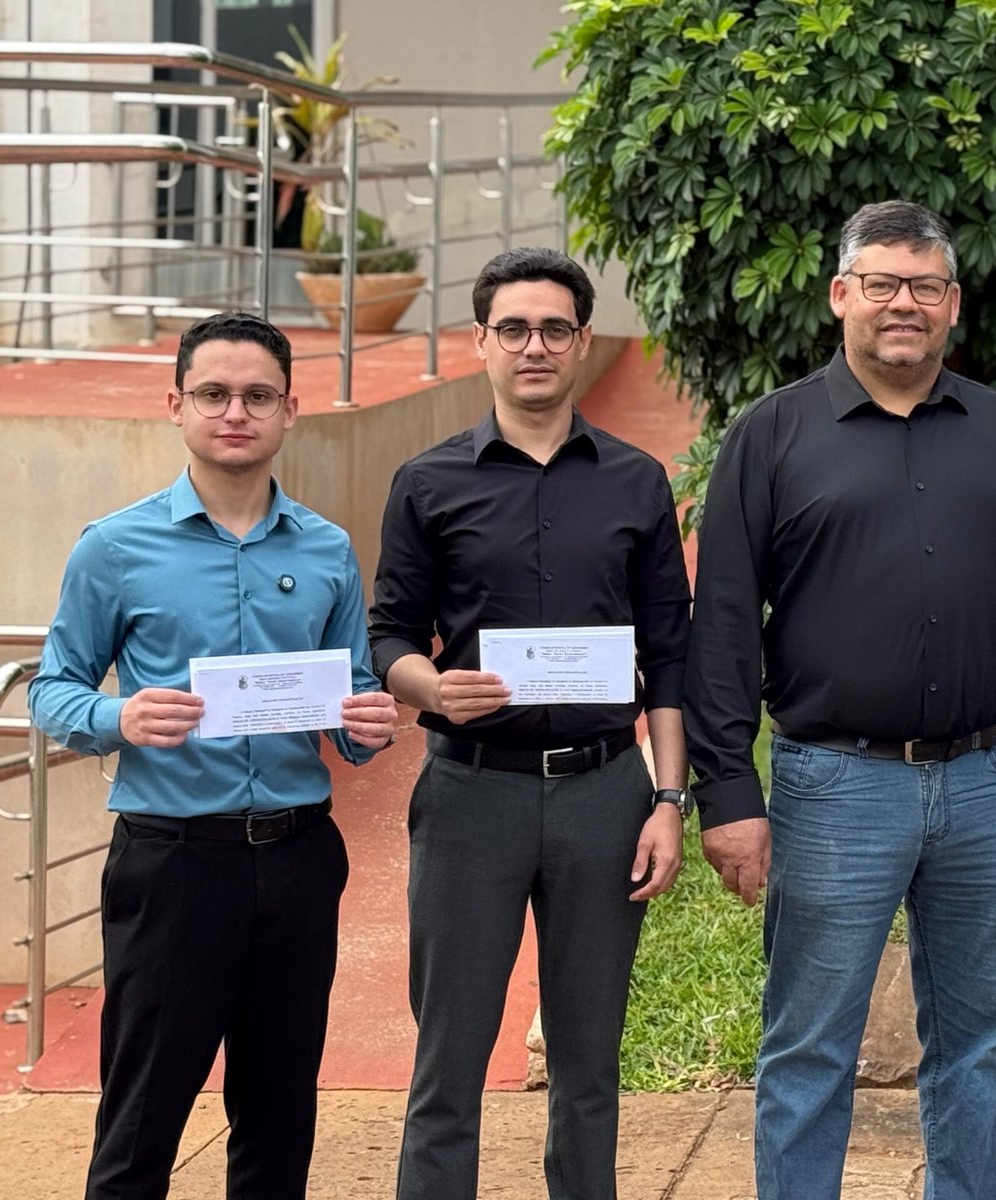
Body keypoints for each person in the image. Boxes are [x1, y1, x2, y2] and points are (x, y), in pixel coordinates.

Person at [683, 199, 996, 1200]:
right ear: (840, 295)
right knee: (809, 1047)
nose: (904, 303)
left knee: (978, 1043)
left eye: (925, 285)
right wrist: (728, 792)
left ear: (953, 304)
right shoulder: (771, 434)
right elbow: (722, 624)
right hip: (834, 787)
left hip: (986, 783)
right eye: (881, 282)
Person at [28, 311, 399, 1199]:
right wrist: (119, 716)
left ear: (289, 410)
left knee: (279, 1113)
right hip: (173, 865)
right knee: (142, 1117)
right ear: (177, 405)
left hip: (300, 858)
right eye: (215, 394)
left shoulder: (326, 549)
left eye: (258, 395)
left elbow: (351, 703)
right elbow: (51, 689)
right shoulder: (114, 547)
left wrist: (368, 722)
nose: (236, 412)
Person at [370, 247, 692, 1200]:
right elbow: (388, 634)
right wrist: (432, 689)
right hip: (472, 796)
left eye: (555, 328)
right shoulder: (427, 482)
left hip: (606, 792)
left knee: (590, 1066)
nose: (535, 346)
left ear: (584, 341)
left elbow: (670, 655)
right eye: (513, 328)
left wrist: (668, 799)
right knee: (448, 1065)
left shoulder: (637, 481)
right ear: (481, 342)